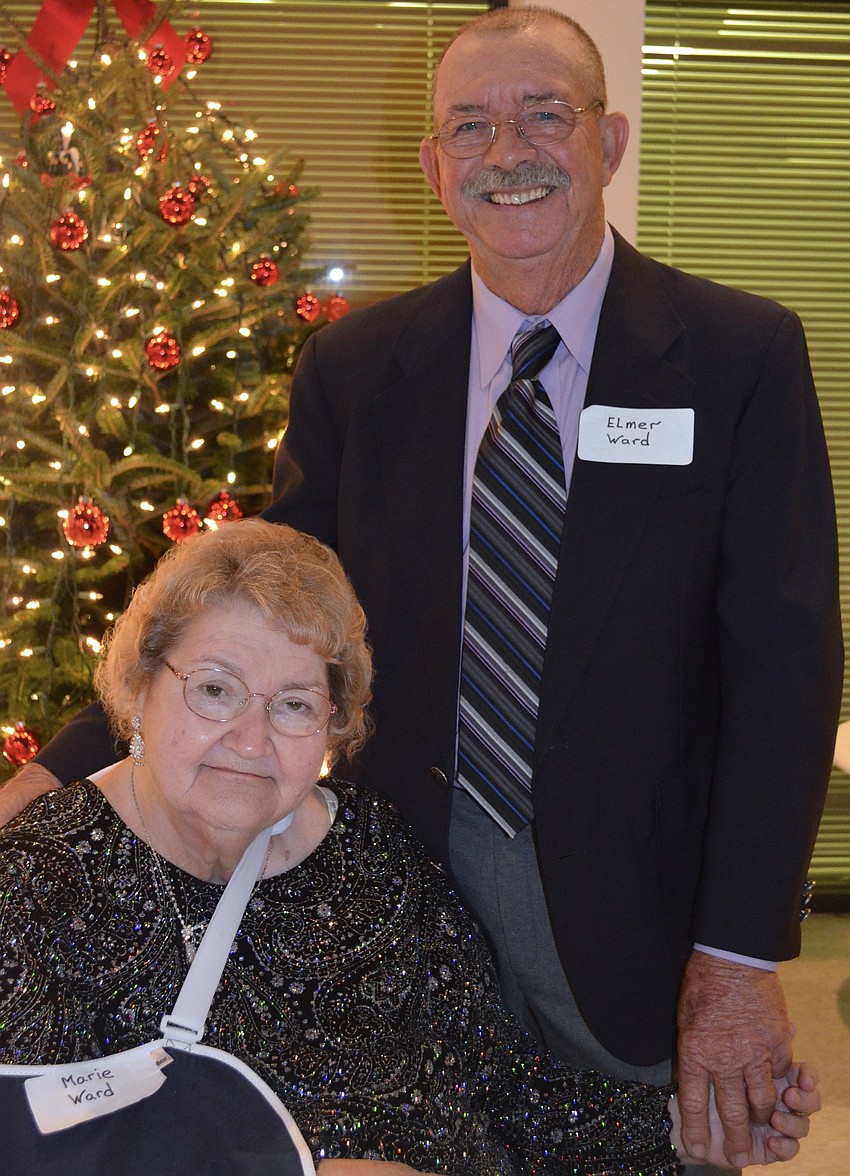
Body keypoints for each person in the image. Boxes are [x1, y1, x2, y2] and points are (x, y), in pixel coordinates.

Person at [2, 6, 843, 1172]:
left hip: (636, 930)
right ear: (435, 166)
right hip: (389, 916)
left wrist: (738, 962)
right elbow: (263, 603)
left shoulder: (737, 354)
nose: (509, 150)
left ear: (609, 141)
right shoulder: (359, 367)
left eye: (544, 113)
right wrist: (56, 768)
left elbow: (783, 671)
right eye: (470, 124)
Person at [0, 518, 820, 1174]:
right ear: (141, 686)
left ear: (332, 725)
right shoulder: (42, 880)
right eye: (215, 690)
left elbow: (500, 1089)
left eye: (292, 704)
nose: (249, 739)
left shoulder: (371, 851)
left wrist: (685, 1125)